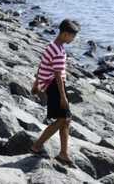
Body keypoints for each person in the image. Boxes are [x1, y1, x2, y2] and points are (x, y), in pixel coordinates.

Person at [30, 19, 81, 166]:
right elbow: (58, 75)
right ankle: (37, 146)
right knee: (62, 120)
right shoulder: (58, 51)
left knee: (66, 119)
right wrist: (63, 97)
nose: (73, 39)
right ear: (65, 34)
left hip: (49, 84)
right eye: (72, 36)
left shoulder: (52, 46)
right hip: (54, 86)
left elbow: (42, 64)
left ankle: (64, 153)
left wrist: (36, 82)